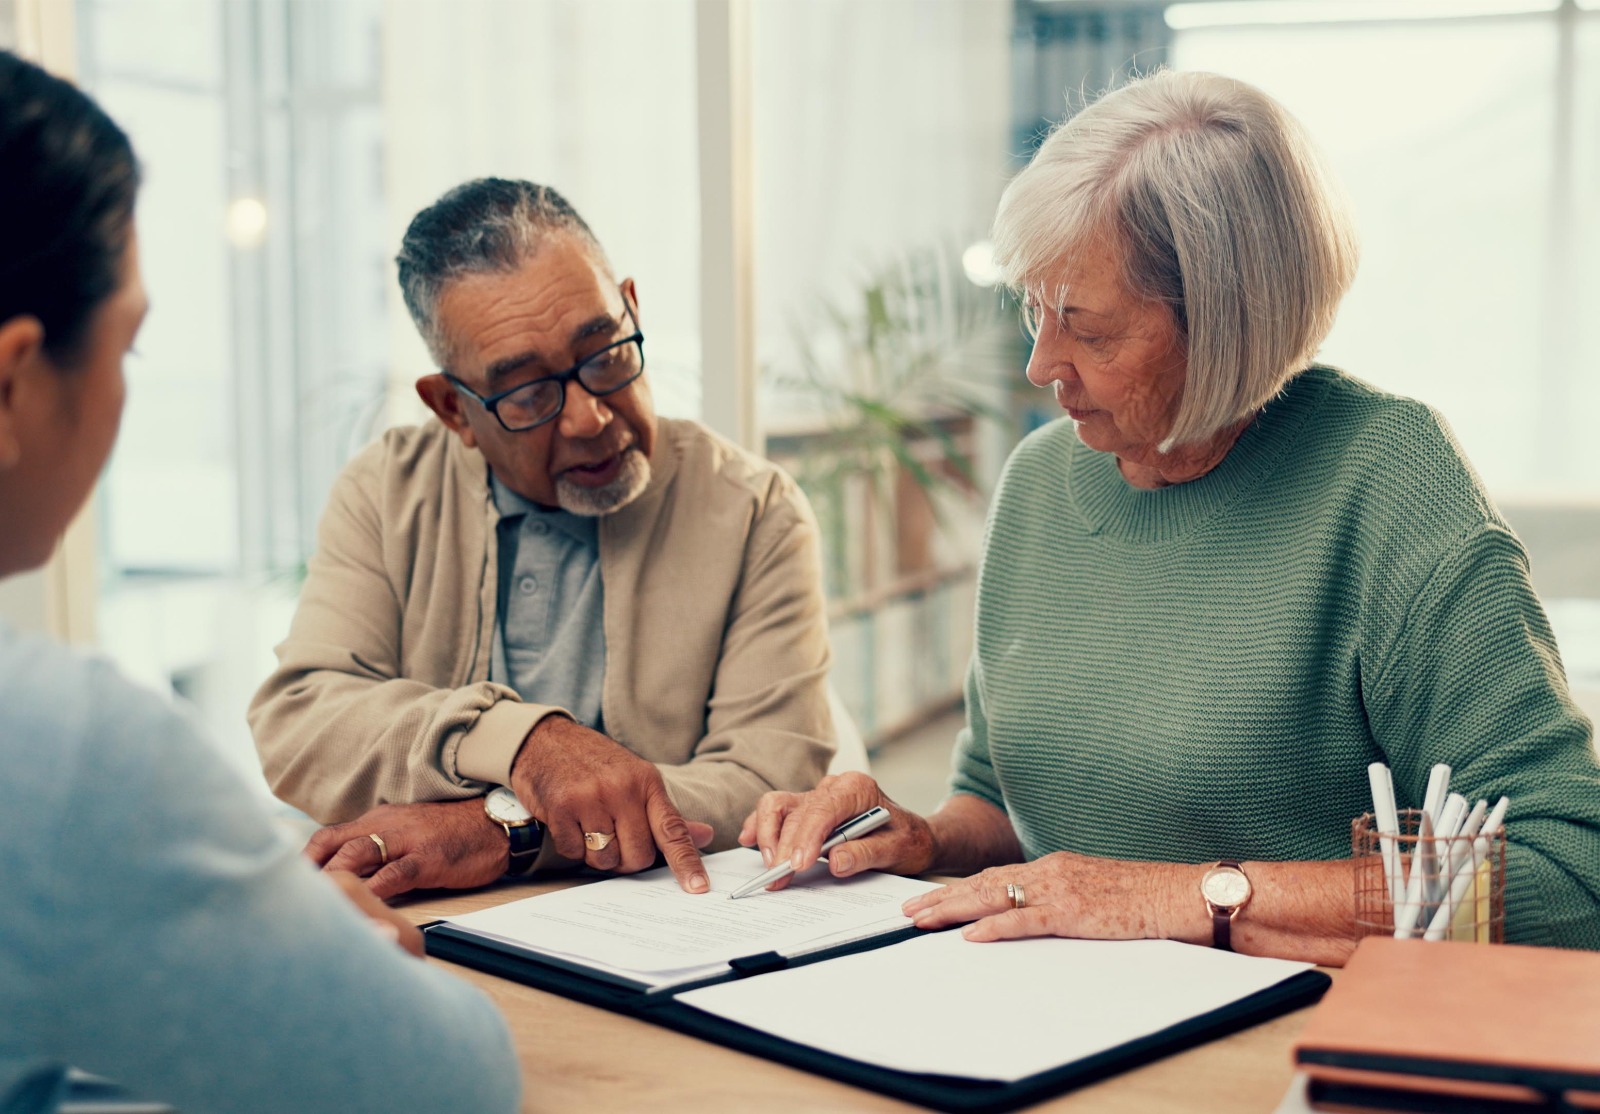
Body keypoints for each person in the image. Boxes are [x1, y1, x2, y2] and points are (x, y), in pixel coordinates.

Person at [741, 69, 1600, 962]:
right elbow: (1002, 796)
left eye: (1089, 327)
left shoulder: (1385, 481)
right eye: (1034, 308)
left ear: (1230, 321)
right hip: (1038, 1017)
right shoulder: (1040, 481)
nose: (1041, 365)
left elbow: (1573, 874)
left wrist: (1180, 897)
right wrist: (920, 835)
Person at [0, 52, 519, 1113]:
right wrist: (312, 946)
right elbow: (447, 1086)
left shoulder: (744, 501)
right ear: (13, 383)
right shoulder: (54, 748)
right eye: (129, 347)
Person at [249, 178, 833, 899]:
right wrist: (524, 742)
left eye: (606, 354)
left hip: (662, 925)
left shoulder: (755, 510)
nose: (588, 417)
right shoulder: (386, 491)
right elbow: (303, 716)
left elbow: (767, 781)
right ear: (454, 409)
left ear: (632, 308)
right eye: (527, 393)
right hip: (425, 922)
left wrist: (503, 832)